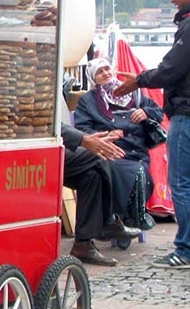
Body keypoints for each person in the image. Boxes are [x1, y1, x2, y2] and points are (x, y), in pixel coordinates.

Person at [113, 0, 190, 269]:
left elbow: (171, 70)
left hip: (186, 113)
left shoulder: (189, 25)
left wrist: (138, 79)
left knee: (181, 183)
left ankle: (185, 250)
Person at [74, 58, 164, 232]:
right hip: (111, 152)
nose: (106, 74)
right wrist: (107, 135)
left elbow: (159, 112)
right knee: (111, 172)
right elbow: (83, 129)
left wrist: (145, 112)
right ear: (94, 78)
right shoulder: (88, 100)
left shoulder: (134, 94)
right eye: (100, 72)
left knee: (140, 172)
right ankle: (118, 220)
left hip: (136, 151)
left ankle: (125, 219)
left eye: (107, 69)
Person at [61, 120, 142, 266]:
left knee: (92, 175)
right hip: (33, 150)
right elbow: (44, 121)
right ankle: (107, 222)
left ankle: (83, 245)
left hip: (51, 144)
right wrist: (84, 140)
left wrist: (87, 139)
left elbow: (53, 122)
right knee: (98, 156)